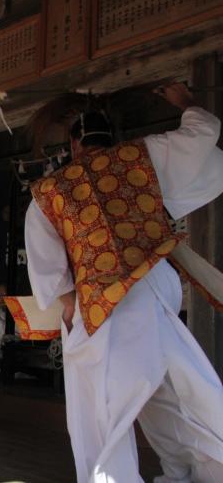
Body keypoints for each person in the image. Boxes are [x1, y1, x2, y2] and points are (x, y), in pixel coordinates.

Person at [25, 82, 223, 482]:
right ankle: (196, 471)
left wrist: (70, 310)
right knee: (177, 391)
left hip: (98, 307)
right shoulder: (142, 157)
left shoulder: (48, 192)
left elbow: (50, 273)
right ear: (110, 136)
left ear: (75, 144)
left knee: (101, 410)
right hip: (152, 292)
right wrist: (186, 102)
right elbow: (203, 132)